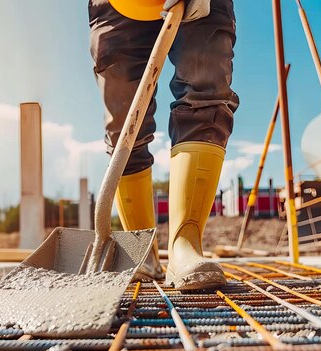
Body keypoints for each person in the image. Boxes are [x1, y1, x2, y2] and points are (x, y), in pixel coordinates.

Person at [89, 0, 238, 289]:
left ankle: (185, 244)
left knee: (203, 91)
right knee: (124, 120)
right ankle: (140, 251)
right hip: (118, 6)